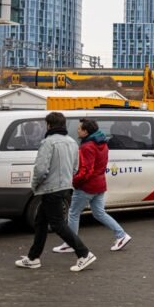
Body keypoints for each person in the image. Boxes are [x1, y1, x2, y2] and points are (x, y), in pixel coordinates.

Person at [15, 112, 97, 272]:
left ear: (49, 125)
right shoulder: (72, 142)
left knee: (58, 224)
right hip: (65, 186)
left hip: (50, 188)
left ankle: (84, 253)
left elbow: (40, 169)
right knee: (41, 222)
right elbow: (75, 167)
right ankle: (33, 257)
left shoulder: (48, 142)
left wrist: (34, 185)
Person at [53, 119, 132, 254]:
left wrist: (74, 181)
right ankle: (121, 235)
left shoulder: (87, 146)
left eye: (79, 128)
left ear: (86, 131)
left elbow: (86, 170)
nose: (77, 130)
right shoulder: (102, 144)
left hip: (87, 186)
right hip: (100, 184)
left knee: (73, 213)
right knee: (99, 213)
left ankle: (70, 243)